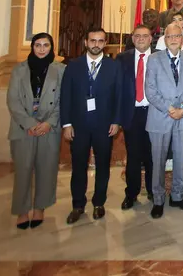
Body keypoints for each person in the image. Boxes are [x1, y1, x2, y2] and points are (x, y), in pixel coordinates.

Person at [61, 27, 122, 224]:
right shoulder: (73, 66)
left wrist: (116, 120)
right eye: (93, 41)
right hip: (78, 125)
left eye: (100, 41)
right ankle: (77, 205)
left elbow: (119, 96)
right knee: (78, 166)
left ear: (105, 43)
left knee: (103, 165)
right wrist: (67, 123)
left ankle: (99, 203)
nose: (96, 44)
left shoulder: (114, 66)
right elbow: (66, 96)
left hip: (104, 125)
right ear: (86, 42)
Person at [7, 32, 65, 229]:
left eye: (46, 45)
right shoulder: (19, 70)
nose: (41, 49)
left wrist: (50, 122)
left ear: (51, 47)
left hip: (49, 127)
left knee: (46, 169)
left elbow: (63, 101)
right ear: (32, 47)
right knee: (23, 170)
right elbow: (13, 101)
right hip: (24, 128)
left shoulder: (61, 70)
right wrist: (30, 124)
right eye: (38, 45)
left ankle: (40, 207)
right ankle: (22, 210)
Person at [145, 23, 183, 218]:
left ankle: (177, 196)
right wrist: (170, 109)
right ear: (164, 39)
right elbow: (150, 90)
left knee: (179, 159)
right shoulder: (153, 59)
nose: (174, 39)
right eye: (170, 37)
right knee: (158, 160)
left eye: (177, 36)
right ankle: (158, 199)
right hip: (161, 117)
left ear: (182, 39)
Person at [118, 25, 155, 211]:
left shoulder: (159, 57)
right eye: (137, 36)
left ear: (151, 39)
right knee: (133, 156)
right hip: (131, 113)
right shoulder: (122, 58)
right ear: (133, 39)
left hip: (153, 112)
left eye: (145, 36)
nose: (141, 39)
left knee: (152, 155)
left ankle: (152, 191)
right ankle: (131, 194)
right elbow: (117, 89)